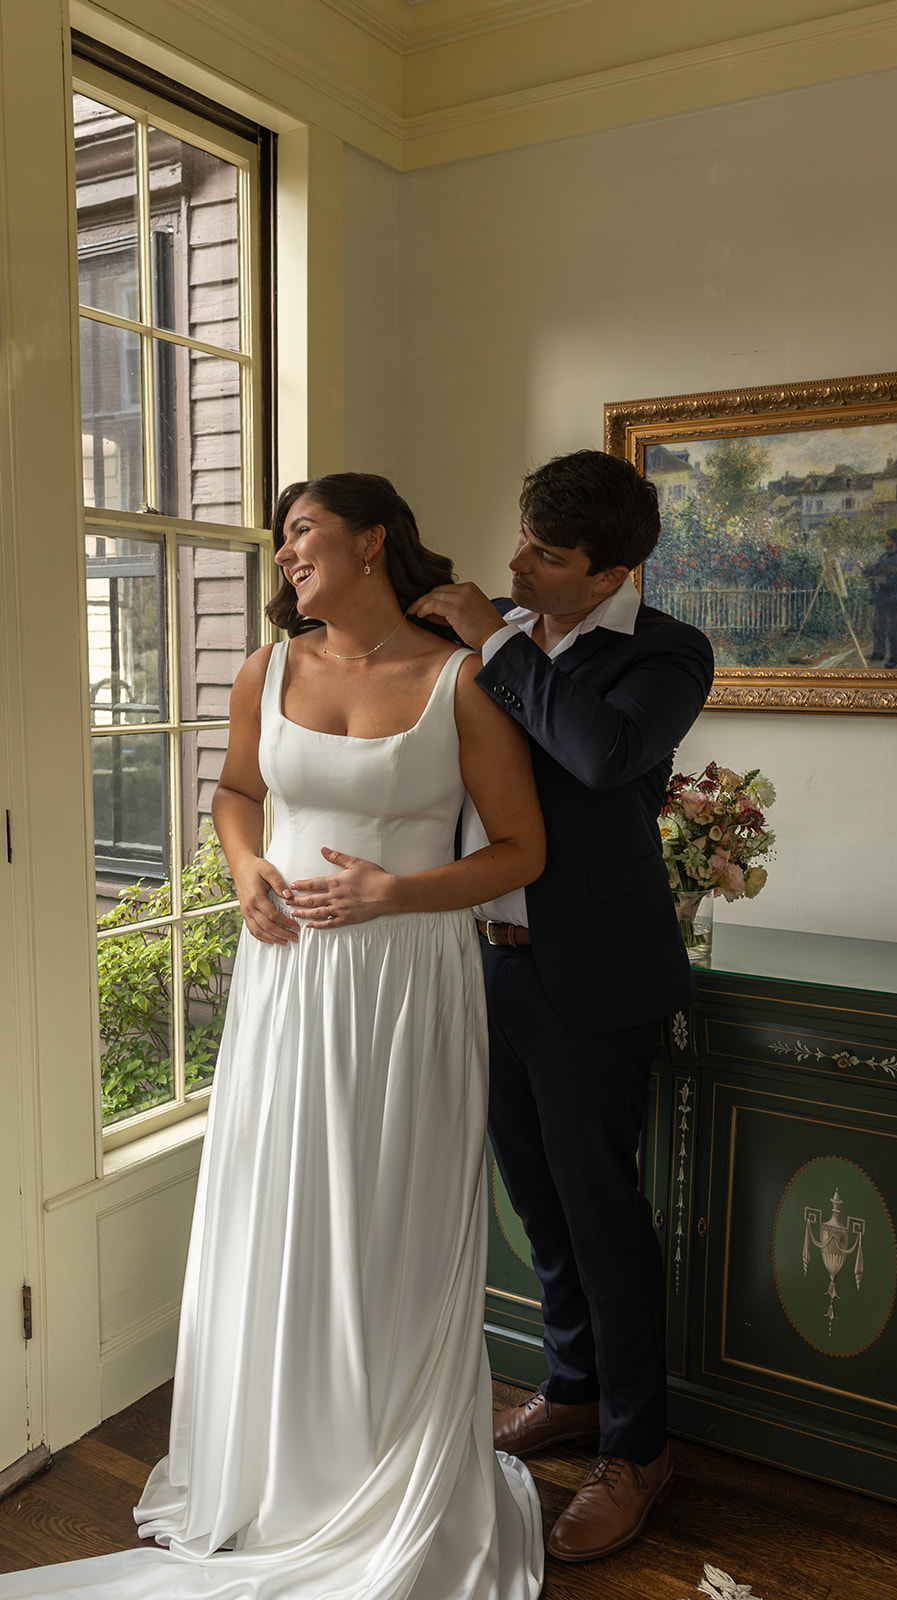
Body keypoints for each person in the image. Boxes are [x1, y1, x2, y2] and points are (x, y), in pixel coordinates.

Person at [0, 474, 546, 1600]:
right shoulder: (268, 667)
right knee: (280, 1203)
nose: (287, 554)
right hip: (288, 984)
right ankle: (270, 1468)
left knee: (385, 1216)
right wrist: (248, 871)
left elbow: (519, 851)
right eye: (283, 539)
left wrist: (398, 894)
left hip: (408, 985)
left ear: (372, 540)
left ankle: (383, 1473)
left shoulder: (460, 681)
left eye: (303, 532)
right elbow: (237, 791)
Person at [409, 450, 715, 1565]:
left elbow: (597, 755)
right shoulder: (497, 631)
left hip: (597, 980)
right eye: (522, 537)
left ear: (610, 574)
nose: (516, 561)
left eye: (546, 554)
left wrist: (490, 642)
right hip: (486, 961)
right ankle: (574, 1388)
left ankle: (637, 1449)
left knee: (600, 1215)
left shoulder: (667, 651)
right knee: (535, 1205)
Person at [861, 526, 897, 669]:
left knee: (893, 630)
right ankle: (878, 653)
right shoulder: (884, 556)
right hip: (881, 598)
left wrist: (885, 581)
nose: (886, 541)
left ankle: (895, 658)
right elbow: (876, 570)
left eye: (888, 539)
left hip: (893, 598)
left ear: (895, 542)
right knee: (877, 627)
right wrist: (864, 569)